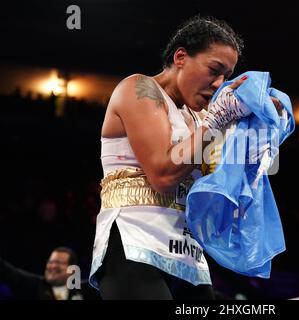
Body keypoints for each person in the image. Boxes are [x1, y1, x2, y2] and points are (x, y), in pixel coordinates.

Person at [89, 15, 282, 300]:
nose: (218, 84)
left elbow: (240, 179)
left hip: (189, 258)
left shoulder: (202, 117)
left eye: (225, 77)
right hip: (135, 248)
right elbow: (163, 174)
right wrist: (217, 121)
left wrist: (262, 121)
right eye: (213, 70)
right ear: (181, 57)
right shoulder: (138, 90)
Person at [0, 247, 101, 300]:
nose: (52, 266)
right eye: (50, 262)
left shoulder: (87, 290)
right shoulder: (35, 286)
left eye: (59, 263)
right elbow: (6, 271)